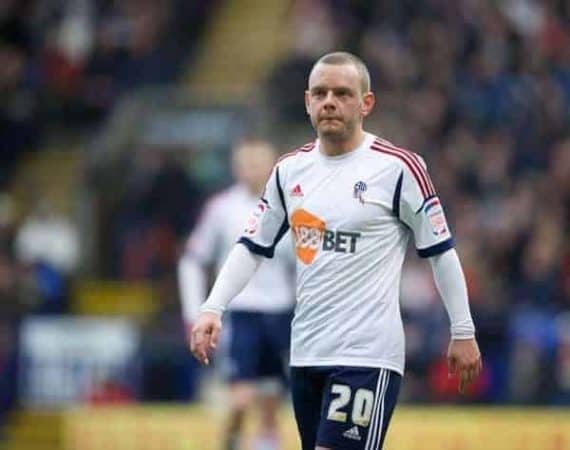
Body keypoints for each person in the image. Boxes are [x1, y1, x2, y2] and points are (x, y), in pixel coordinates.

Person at [190, 52, 482, 450]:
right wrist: (213, 306)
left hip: (367, 355)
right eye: (321, 93)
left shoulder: (399, 169)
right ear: (307, 101)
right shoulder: (288, 171)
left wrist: (462, 330)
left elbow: (441, 252)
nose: (329, 101)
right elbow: (251, 246)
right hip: (307, 353)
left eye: (342, 93)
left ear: (366, 103)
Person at [178, 139, 295, 450]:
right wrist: (195, 312)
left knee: (271, 401)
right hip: (239, 314)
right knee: (241, 399)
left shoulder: (290, 207)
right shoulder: (221, 209)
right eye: (246, 162)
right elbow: (192, 259)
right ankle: (229, 442)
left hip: (281, 312)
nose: (253, 169)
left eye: (259, 162)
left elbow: (304, 262)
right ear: (236, 167)